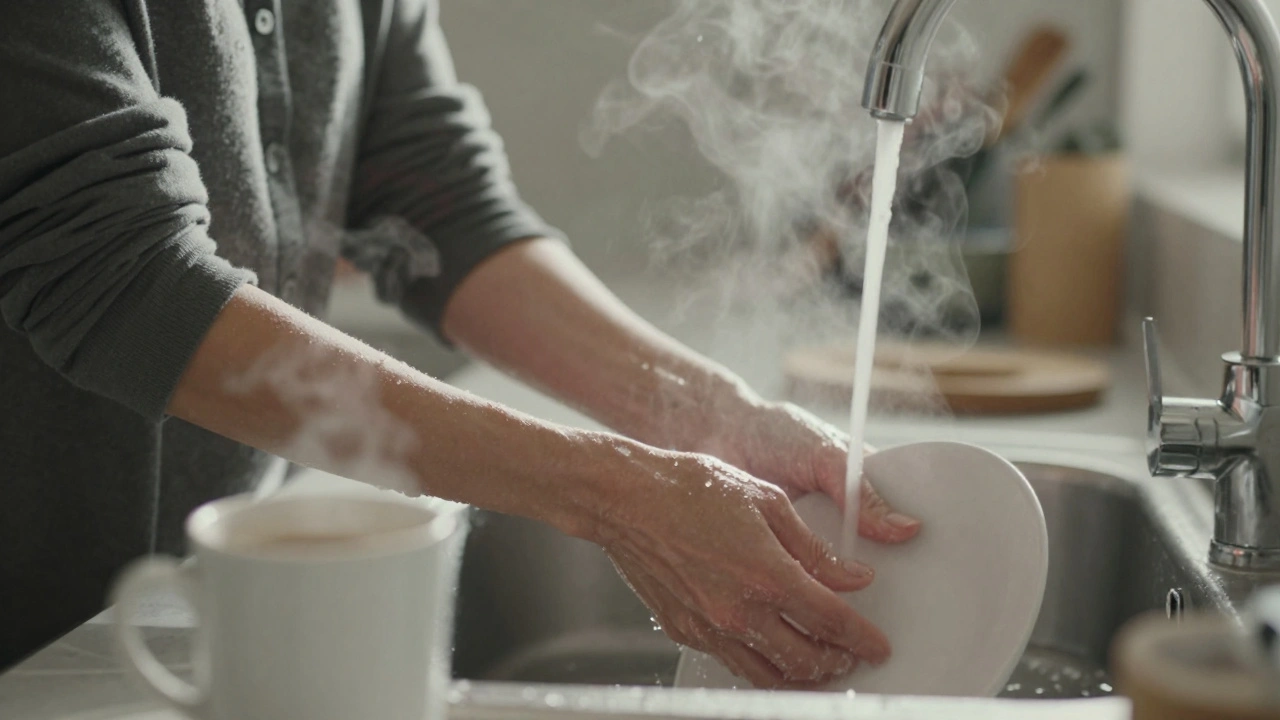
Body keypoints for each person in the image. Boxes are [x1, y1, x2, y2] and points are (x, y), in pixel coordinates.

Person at [0, 0, 921, 686]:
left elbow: (440, 202)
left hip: (195, 609)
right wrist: (611, 494)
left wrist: (713, 414)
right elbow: (122, 281)